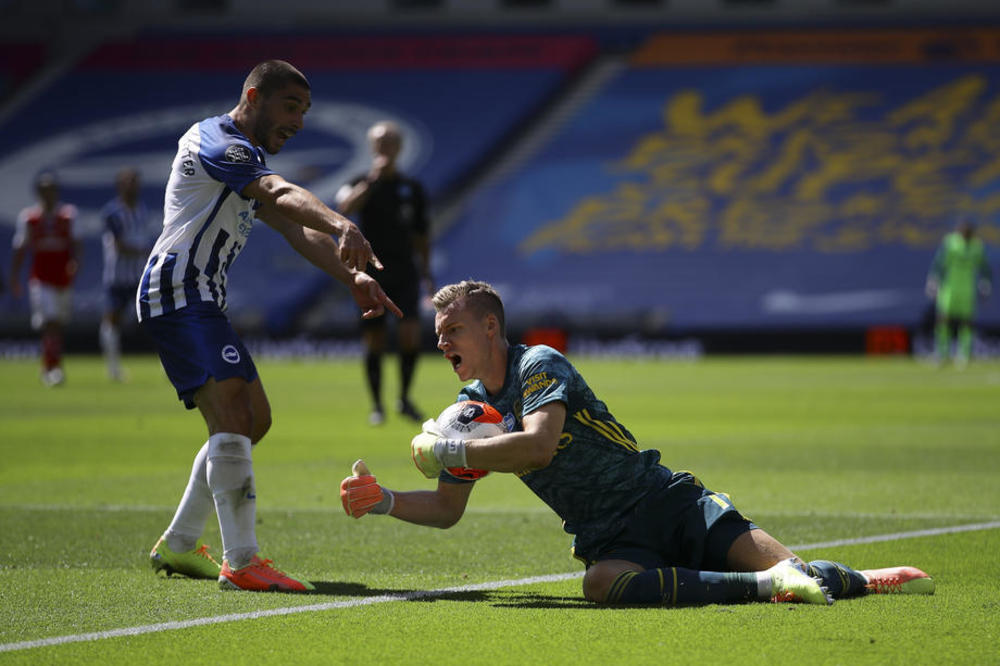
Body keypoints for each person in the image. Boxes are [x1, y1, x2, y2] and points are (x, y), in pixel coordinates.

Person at [341, 280, 935, 606]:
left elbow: (539, 447)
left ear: (490, 327)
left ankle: (863, 577)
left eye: (454, 331)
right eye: (439, 334)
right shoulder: (471, 408)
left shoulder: (540, 365)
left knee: (802, 574)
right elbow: (447, 509)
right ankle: (761, 588)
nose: (442, 342)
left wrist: (449, 452)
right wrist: (384, 499)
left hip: (666, 502)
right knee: (600, 584)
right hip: (611, 538)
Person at [143, 60, 401, 593]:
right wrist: (343, 222)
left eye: (304, 112)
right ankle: (242, 560)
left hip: (201, 298)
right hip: (178, 291)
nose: (299, 122)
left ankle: (181, 541)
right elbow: (284, 196)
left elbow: (293, 228)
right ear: (254, 97)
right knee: (233, 415)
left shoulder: (245, 159)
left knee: (251, 420)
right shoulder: (220, 142)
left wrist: (351, 276)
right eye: (290, 107)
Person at [335, 121, 432, 426]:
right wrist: (373, 180)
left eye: (392, 141)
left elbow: (421, 236)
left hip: (404, 271)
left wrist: (426, 274)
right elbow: (344, 208)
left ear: (399, 147)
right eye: (381, 142)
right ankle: (377, 406)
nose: (387, 147)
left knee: (409, 335)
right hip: (370, 271)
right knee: (374, 339)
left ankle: (404, 398)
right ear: (373, 147)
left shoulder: (412, 189)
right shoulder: (360, 181)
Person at [8, 170, 81, 387]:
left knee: (57, 323)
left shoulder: (68, 216)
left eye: (52, 190)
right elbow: (20, 249)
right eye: (44, 190)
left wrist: (76, 263)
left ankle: (48, 364)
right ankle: (53, 368)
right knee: (49, 322)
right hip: (40, 278)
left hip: (63, 278)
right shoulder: (29, 218)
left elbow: (77, 244)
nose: (48, 194)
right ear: (39, 192)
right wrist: (14, 277)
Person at [99, 167, 155, 381]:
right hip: (118, 277)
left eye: (135, 181)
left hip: (140, 276)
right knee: (113, 320)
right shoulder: (112, 213)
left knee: (157, 318)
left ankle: (168, 364)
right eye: (129, 181)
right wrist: (145, 251)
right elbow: (119, 246)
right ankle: (113, 368)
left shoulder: (142, 210)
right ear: (120, 185)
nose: (133, 185)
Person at [926, 219, 992, 366]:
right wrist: (933, 280)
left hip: (967, 290)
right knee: (943, 320)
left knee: (967, 323)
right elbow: (939, 263)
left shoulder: (977, 246)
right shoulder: (950, 243)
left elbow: (985, 267)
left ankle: (964, 354)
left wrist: (986, 282)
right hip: (949, 289)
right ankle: (941, 353)